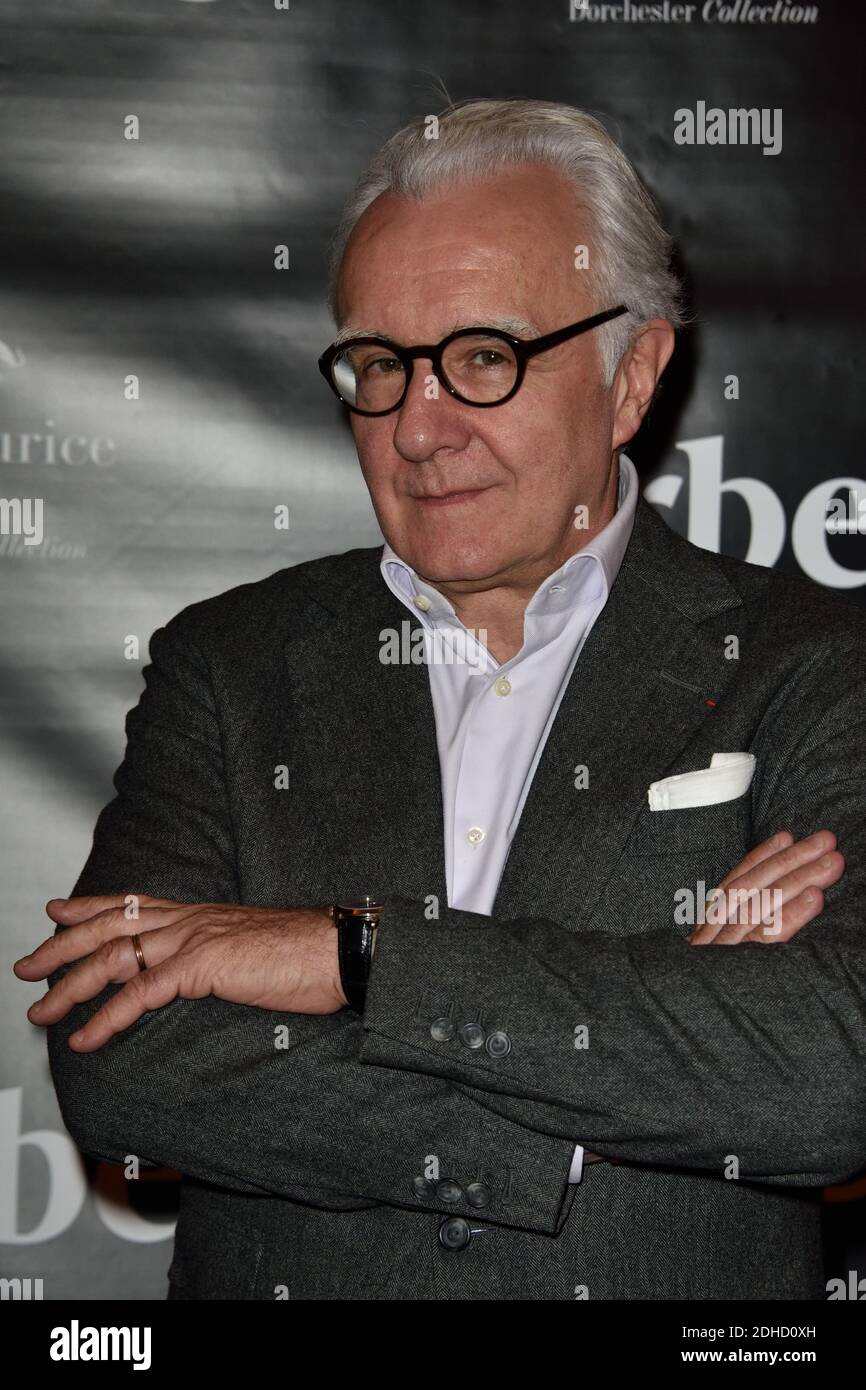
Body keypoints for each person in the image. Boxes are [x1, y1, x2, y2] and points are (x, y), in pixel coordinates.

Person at [15, 98, 865, 1301]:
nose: (416, 428)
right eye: (377, 364)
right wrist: (647, 1050)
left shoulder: (817, 663)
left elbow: (831, 1072)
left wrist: (353, 956)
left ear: (632, 376)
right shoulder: (229, 663)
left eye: (482, 358)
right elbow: (124, 1062)